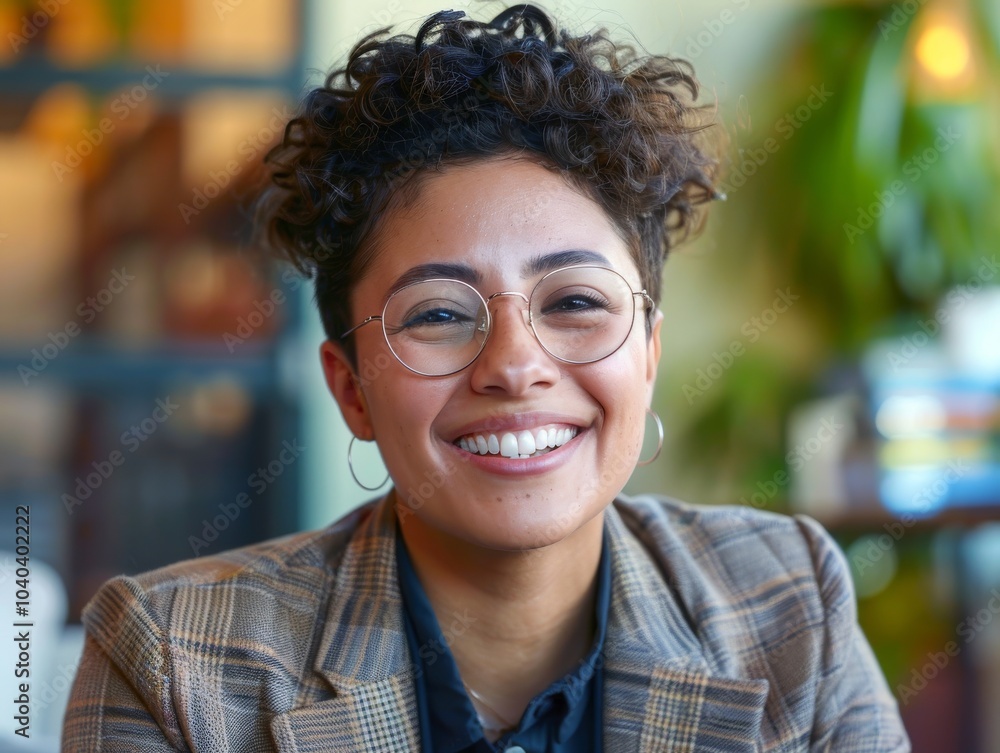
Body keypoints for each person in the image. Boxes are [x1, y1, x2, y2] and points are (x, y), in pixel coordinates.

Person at [62, 5, 909, 752]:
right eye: (436, 314)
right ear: (351, 386)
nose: (513, 365)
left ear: (647, 353)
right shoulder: (171, 660)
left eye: (575, 299)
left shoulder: (792, 601)